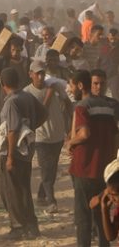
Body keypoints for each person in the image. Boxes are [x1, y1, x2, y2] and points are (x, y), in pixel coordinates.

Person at [69, 69, 119, 247]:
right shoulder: (109, 108)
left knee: (83, 218)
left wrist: (70, 142)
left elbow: (84, 133)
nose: (99, 86)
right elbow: (115, 136)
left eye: (101, 83)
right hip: (104, 170)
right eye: (96, 83)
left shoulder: (83, 106)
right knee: (101, 213)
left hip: (84, 168)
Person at [0, 67, 47, 240]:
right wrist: (30, 128)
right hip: (27, 151)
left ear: (2, 84)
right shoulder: (27, 96)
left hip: (14, 152)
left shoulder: (11, 102)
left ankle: (19, 227)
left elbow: (12, 130)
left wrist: (10, 156)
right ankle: (32, 226)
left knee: (11, 192)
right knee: (24, 189)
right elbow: (44, 114)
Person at [23, 60, 70, 213]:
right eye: (37, 74)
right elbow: (40, 112)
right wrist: (49, 94)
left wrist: (70, 127)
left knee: (51, 169)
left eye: (43, 73)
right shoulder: (27, 93)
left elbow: (68, 103)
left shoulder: (54, 86)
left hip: (57, 134)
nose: (40, 77)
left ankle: (41, 196)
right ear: (30, 74)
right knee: (46, 169)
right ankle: (51, 201)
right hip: (41, 137)